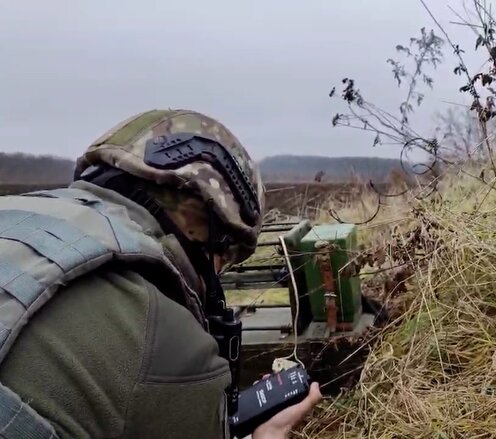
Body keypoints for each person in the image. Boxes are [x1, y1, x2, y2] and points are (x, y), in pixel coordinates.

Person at [0, 109, 322, 438]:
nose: (219, 272)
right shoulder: (168, 338)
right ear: (197, 223)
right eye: (224, 257)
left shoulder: (13, 210)